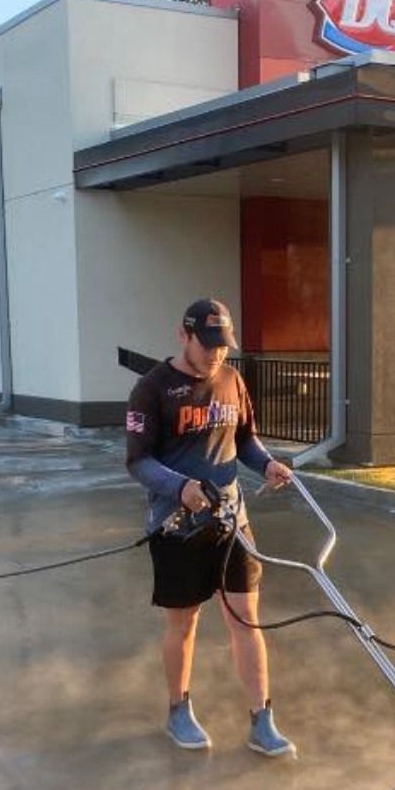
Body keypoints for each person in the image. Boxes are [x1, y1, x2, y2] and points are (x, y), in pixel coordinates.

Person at [125, 298, 296, 758]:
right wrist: (179, 488)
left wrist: (268, 465)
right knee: (184, 623)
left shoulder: (232, 380)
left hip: (231, 521)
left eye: (224, 346)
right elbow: (137, 461)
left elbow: (243, 440)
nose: (217, 355)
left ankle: (262, 720)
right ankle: (178, 709)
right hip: (176, 526)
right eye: (209, 345)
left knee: (245, 619)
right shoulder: (152, 389)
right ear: (184, 336)